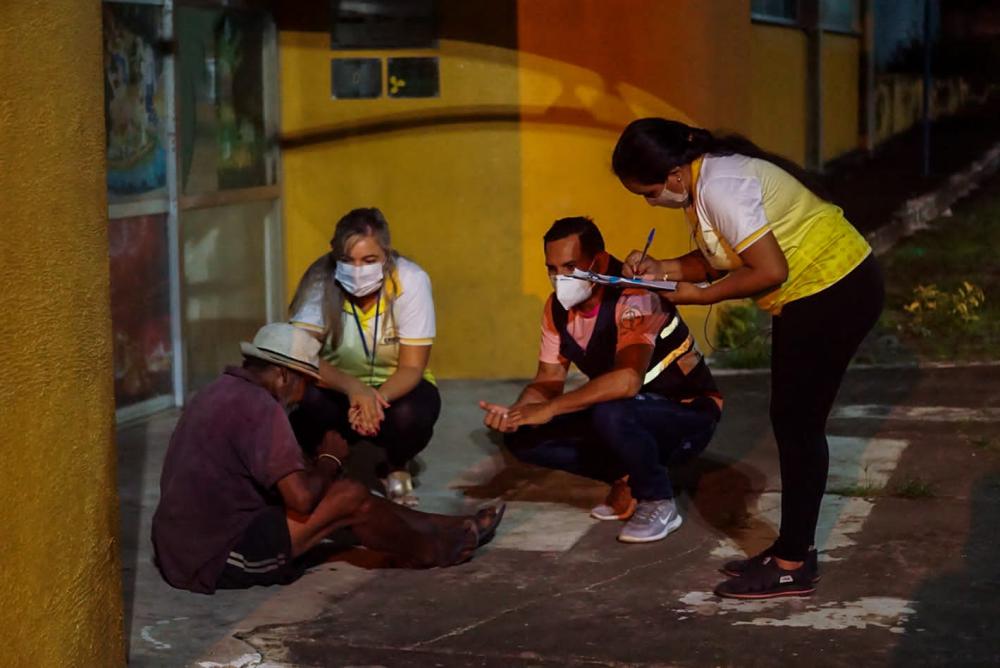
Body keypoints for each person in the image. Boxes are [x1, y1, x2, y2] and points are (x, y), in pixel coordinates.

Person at [612, 118, 884, 598]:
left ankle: (792, 563)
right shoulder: (702, 184)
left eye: (649, 192)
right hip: (813, 292)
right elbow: (724, 254)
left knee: (798, 425)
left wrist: (701, 296)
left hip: (832, 287)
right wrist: (665, 267)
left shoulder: (720, 185)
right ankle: (791, 548)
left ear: (674, 174)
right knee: (793, 421)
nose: (651, 202)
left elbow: (768, 269)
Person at [151, 323, 503, 594]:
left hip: (179, 550)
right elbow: (301, 498)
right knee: (346, 497)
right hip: (215, 557)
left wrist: (319, 466)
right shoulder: (261, 408)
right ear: (284, 375)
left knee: (341, 493)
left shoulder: (221, 391)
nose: (303, 395)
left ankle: (444, 525)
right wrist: (330, 458)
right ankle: (433, 550)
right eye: (306, 383)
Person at [479, 216, 722, 544]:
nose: (559, 278)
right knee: (524, 438)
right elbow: (549, 379)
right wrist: (518, 414)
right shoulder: (557, 310)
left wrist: (550, 409)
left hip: (687, 414)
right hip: (627, 414)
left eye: (569, 266)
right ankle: (629, 477)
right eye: (551, 269)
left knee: (610, 411)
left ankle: (657, 500)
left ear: (600, 262)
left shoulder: (634, 296)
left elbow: (627, 381)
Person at [288, 208, 438, 506]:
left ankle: (395, 466)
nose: (358, 270)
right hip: (335, 388)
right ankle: (327, 464)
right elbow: (297, 354)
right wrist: (354, 389)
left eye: (369, 261)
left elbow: (412, 366)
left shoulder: (411, 279)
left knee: (413, 414)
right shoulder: (320, 280)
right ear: (335, 259)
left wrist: (373, 399)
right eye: (348, 260)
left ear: (386, 255)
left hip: (394, 390)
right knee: (305, 401)